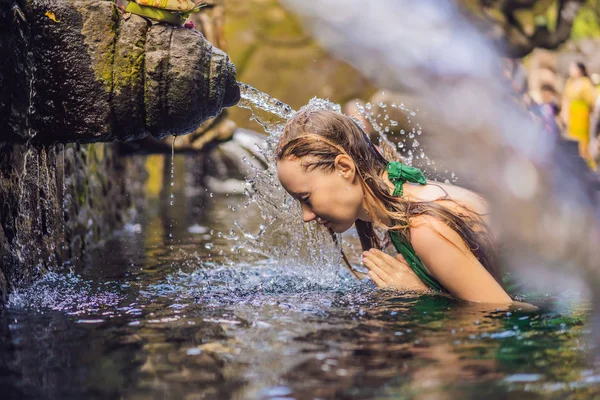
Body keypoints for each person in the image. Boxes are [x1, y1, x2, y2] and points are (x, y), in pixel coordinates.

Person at [276, 109, 513, 304]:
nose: (306, 216)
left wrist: (421, 294)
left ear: (345, 168)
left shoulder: (426, 228)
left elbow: (503, 312)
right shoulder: (394, 204)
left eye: (306, 198)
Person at [561, 62, 597, 167]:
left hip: (582, 115)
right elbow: (565, 99)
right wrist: (564, 114)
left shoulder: (585, 82)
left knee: (583, 141)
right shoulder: (570, 82)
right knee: (572, 140)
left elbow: (591, 100)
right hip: (572, 115)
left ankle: (586, 164)